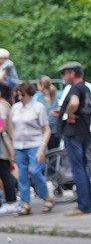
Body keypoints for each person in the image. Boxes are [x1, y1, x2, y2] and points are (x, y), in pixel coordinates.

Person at [56, 62, 91, 215]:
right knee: (83, 168)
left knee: (78, 169)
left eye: (64, 73)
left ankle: (83, 205)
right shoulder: (86, 88)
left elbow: (74, 103)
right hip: (84, 131)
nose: (63, 77)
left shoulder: (75, 88)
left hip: (73, 133)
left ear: (71, 73)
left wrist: (67, 114)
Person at [10, 77, 51, 214]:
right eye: (18, 94)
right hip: (19, 146)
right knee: (22, 175)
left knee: (35, 171)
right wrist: (12, 147)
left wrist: (42, 147)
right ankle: (25, 204)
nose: (20, 97)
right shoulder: (15, 108)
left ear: (28, 93)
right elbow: (13, 128)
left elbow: (46, 129)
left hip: (34, 144)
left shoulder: (38, 107)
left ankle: (46, 197)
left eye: (22, 94)